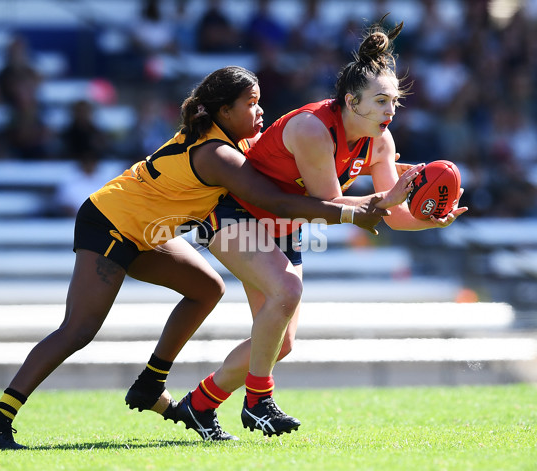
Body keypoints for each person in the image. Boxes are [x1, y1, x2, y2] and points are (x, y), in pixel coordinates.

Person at [0, 65, 409, 450]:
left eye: (260, 103)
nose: (260, 112)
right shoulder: (218, 154)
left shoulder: (233, 139)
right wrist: (354, 211)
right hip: (109, 221)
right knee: (80, 328)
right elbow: (278, 203)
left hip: (148, 230)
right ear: (222, 112)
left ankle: (150, 383)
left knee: (206, 288)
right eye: (251, 104)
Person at [167, 17, 468, 440]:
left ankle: (200, 405)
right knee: (287, 292)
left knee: (280, 343)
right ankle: (259, 402)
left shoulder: (381, 142)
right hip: (234, 213)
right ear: (351, 100)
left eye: (394, 102)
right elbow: (328, 204)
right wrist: (393, 197)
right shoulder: (312, 128)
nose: (390, 110)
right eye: (380, 101)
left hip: (284, 222)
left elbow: (391, 215)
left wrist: (427, 217)